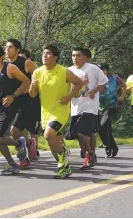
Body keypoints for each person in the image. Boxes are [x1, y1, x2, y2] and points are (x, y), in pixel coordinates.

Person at [29, 44, 83, 179]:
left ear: (55, 56)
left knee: (48, 135)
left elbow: (79, 83)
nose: (44, 56)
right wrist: (32, 88)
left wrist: (69, 97)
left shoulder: (63, 71)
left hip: (60, 110)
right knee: (52, 141)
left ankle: (64, 162)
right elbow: (33, 95)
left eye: (48, 53)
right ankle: (62, 164)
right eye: (43, 53)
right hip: (45, 112)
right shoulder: (37, 72)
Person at [0, 45, 30, 175]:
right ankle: (12, 164)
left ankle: (19, 144)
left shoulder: (10, 68)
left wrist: (13, 96)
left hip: (10, 106)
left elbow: (26, 81)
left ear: (1, 57)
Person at [66, 47, 108, 170]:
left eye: (78, 55)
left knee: (81, 132)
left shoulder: (93, 68)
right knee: (83, 134)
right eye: (73, 55)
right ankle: (89, 155)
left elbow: (104, 82)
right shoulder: (68, 70)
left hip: (90, 106)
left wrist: (94, 91)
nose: (75, 58)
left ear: (85, 57)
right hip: (76, 106)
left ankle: (90, 154)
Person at [5, 38, 39, 169]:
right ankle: (30, 142)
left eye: (10, 47)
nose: (7, 50)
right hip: (12, 100)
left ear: (18, 50)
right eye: (6, 48)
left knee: (14, 131)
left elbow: (40, 75)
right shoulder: (6, 65)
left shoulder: (26, 63)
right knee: (10, 132)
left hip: (26, 100)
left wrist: (32, 88)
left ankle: (24, 159)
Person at [97, 62, 126, 158]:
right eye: (99, 70)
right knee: (106, 129)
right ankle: (114, 148)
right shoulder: (95, 79)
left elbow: (124, 85)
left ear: (107, 70)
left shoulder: (114, 78)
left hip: (112, 106)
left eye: (102, 70)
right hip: (99, 107)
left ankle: (108, 148)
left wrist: (122, 95)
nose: (100, 72)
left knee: (103, 126)